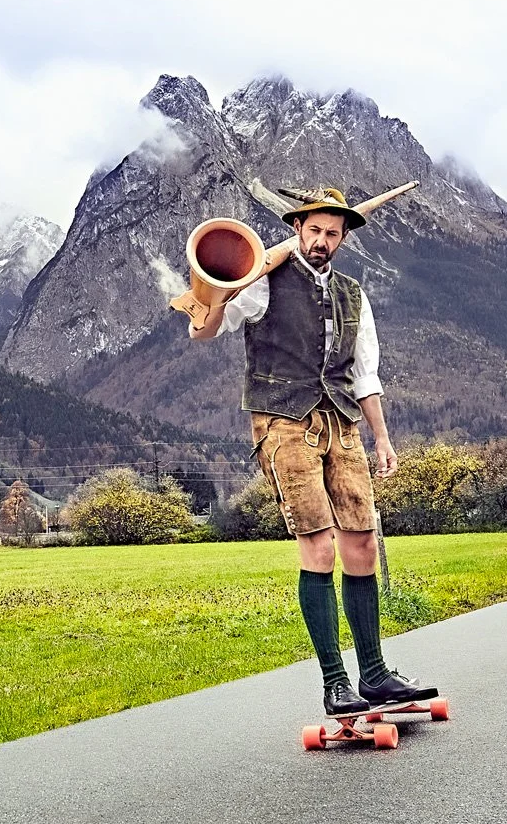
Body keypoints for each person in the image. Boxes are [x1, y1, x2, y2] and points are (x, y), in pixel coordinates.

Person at [187, 185, 437, 716]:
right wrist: (214, 294)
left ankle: (374, 675)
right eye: (315, 230)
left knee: (361, 542)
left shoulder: (353, 294)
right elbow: (204, 331)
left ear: (343, 238)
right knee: (319, 546)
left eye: (332, 233)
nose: (322, 240)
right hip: (283, 422)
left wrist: (382, 438)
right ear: (298, 229)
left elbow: (365, 375)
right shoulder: (263, 281)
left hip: (342, 422)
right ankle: (335, 683)